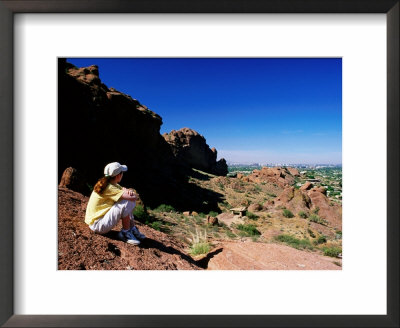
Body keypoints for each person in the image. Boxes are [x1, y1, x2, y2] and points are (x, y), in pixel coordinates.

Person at [85, 162, 146, 245]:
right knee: (128, 202)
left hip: (96, 222)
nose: (123, 175)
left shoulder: (108, 184)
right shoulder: (110, 188)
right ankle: (125, 233)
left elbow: (124, 190)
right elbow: (134, 197)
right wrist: (129, 192)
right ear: (118, 176)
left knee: (127, 200)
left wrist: (127, 191)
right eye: (122, 173)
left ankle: (131, 228)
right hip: (98, 225)